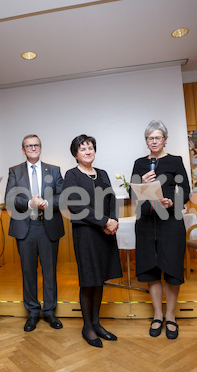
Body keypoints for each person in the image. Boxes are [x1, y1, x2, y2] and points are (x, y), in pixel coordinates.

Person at [62, 134, 122, 348]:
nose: (88, 151)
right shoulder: (71, 175)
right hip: (87, 234)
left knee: (100, 278)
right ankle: (87, 326)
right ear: (75, 154)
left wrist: (113, 220)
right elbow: (76, 205)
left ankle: (97, 323)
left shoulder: (103, 173)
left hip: (105, 234)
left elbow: (111, 199)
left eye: (90, 148)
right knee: (89, 280)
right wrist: (105, 221)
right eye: (83, 149)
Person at [132, 120, 190, 339]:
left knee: (172, 268)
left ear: (165, 139)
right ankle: (157, 315)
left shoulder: (175, 161)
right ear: (146, 141)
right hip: (146, 222)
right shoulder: (139, 163)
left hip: (170, 220)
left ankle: (171, 315)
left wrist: (173, 202)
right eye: (149, 138)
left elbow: (185, 190)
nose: (153, 141)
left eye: (157, 137)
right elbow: (133, 193)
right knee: (150, 269)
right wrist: (142, 182)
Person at [5, 134, 65, 332]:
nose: (33, 148)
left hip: (48, 227)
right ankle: (32, 312)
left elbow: (63, 196)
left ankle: (49, 311)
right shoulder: (14, 171)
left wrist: (47, 203)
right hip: (26, 228)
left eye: (36, 145)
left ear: (40, 147)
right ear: (23, 149)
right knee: (28, 271)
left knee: (49, 271)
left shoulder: (54, 170)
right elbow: (10, 199)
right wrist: (29, 203)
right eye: (28, 146)